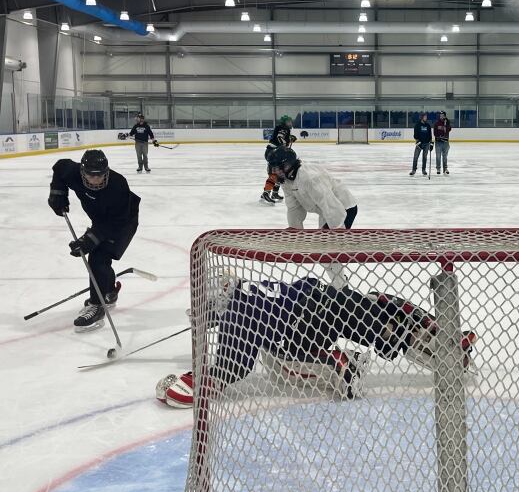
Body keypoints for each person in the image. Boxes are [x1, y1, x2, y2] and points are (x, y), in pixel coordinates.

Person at [156, 276, 477, 407]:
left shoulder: (236, 315)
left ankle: (340, 363)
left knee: (390, 333)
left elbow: (233, 367)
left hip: (311, 322)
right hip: (322, 298)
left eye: (207, 308)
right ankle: (440, 334)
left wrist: (193, 382)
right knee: (379, 308)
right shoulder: (248, 288)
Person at [47, 150, 141, 331]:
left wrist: (89, 239)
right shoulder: (72, 172)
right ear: (82, 171)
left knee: (98, 258)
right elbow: (59, 167)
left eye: (100, 175)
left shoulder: (117, 184)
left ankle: (97, 306)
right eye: (91, 175)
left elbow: (116, 222)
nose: (96, 180)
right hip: (101, 219)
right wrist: (58, 194)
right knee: (100, 258)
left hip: (123, 222)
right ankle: (109, 291)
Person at [267, 147, 357, 229]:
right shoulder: (286, 180)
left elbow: (332, 206)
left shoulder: (310, 178)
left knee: (328, 242)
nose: (275, 172)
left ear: (289, 165)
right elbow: (294, 207)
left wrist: (338, 231)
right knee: (323, 241)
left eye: (278, 168)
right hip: (325, 210)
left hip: (343, 207)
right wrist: (295, 230)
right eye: (274, 168)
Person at [261, 115, 297, 205]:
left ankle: (274, 193)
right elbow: (280, 138)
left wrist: (289, 139)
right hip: (274, 152)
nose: (290, 123)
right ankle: (266, 193)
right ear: (284, 122)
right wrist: (286, 145)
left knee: (281, 173)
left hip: (274, 152)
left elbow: (281, 138)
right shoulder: (283, 128)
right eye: (288, 121)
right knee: (275, 173)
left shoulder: (283, 128)